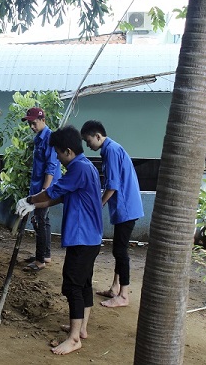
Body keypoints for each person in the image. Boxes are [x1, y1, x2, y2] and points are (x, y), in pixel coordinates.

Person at [16, 125, 102, 355]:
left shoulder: (78, 169)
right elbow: (58, 197)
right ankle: (81, 328)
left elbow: (52, 192)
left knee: (72, 285)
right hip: (89, 238)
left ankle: (74, 339)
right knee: (83, 283)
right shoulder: (85, 167)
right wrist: (33, 205)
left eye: (57, 152)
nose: (56, 157)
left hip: (83, 237)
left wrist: (29, 198)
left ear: (67, 151)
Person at [80, 120, 144, 308]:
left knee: (120, 251)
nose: (87, 144)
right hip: (125, 207)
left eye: (88, 140)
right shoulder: (110, 149)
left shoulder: (111, 150)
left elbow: (113, 185)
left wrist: (98, 205)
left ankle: (123, 295)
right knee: (119, 249)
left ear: (98, 136)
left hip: (127, 208)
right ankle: (115, 288)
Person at [20, 107, 61, 271]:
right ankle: (45, 255)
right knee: (44, 220)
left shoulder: (50, 138)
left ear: (43, 120)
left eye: (34, 123)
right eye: (29, 123)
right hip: (38, 186)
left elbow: (51, 166)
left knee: (39, 221)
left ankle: (39, 261)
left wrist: (44, 191)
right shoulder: (39, 137)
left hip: (45, 188)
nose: (31, 126)